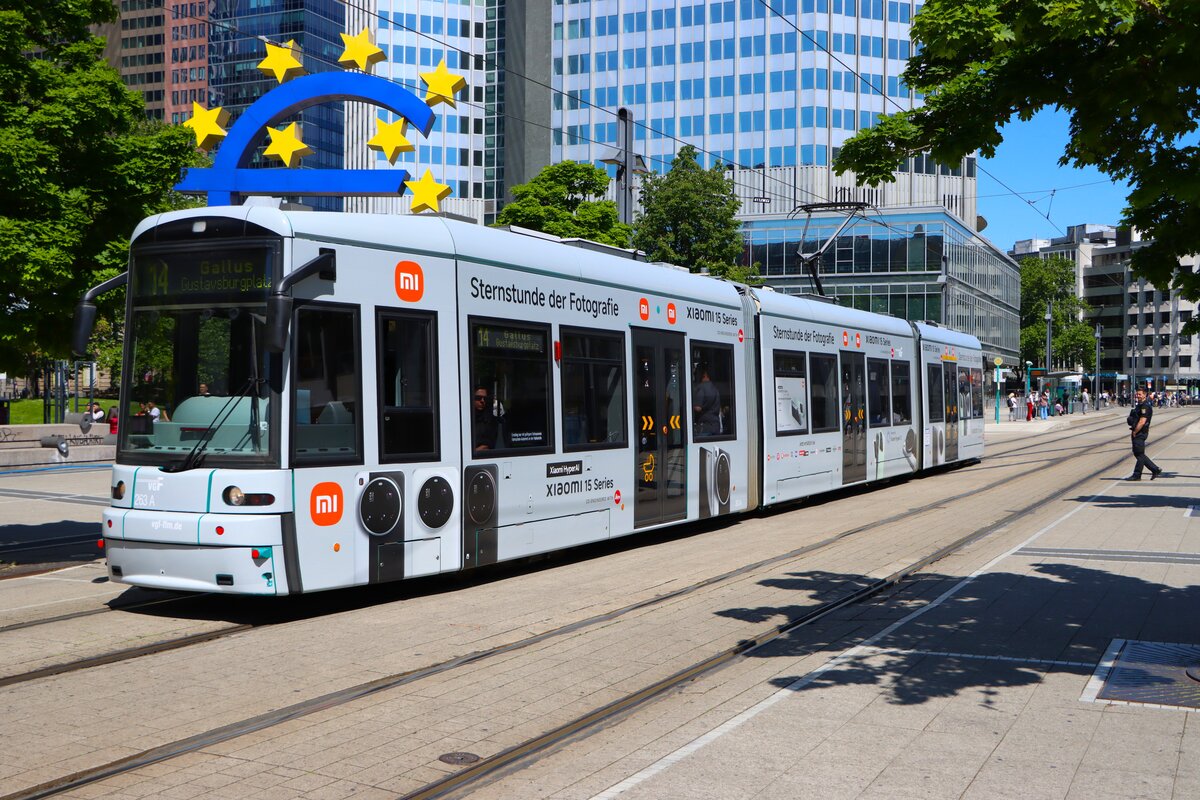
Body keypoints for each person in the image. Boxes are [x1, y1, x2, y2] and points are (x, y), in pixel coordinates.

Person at [1125, 387, 1163, 481]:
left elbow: (1142, 421)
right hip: (1138, 432)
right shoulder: (1140, 405)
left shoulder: (1145, 406)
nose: (1137, 396)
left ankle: (1137, 475)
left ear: (1145, 395)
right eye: (1137, 394)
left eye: (1140, 394)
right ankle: (1155, 469)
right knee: (1138, 453)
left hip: (1140, 432)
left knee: (1139, 454)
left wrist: (1135, 431)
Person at [692, 363, 720, 436]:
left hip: (705, 428)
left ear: (704, 375)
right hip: (716, 426)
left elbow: (698, 408)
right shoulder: (715, 388)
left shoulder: (701, 387)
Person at [471, 386, 498, 451]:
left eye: (485, 398)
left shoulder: (490, 420)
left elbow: (487, 445)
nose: (482, 401)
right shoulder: (465, 417)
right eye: (478, 398)